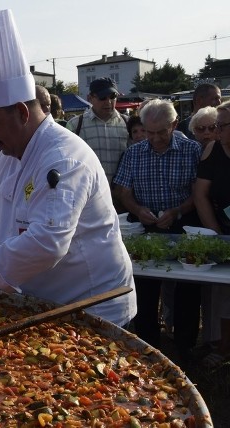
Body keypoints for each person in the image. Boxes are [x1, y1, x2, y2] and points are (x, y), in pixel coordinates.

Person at [0, 9, 136, 327]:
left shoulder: (63, 158)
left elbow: (47, 241)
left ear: (21, 112)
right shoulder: (7, 158)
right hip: (44, 304)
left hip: (92, 305)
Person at [113, 99, 202, 357]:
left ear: (174, 125)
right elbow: (123, 191)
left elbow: (199, 193)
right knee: (145, 287)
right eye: (149, 132)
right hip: (146, 227)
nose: (154, 138)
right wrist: (137, 209)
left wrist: (178, 211)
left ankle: (185, 345)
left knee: (187, 287)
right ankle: (148, 344)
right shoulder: (135, 152)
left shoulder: (191, 150)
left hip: (183, 225)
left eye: (160, 132)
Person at [193, 101, 230, 368]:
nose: (216, 131)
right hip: (224, 232)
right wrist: (215, 233)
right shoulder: (212, 150)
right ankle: (223, 345)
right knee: (224, 292)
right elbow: (200, 194)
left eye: (221, 126)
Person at [66, 77, 129, 184]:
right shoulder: (75, 124)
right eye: (102, 97)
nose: (108, 102)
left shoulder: (128, 123)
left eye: (113, 96)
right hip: (90, 194)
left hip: (121, 195)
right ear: (90, 98)